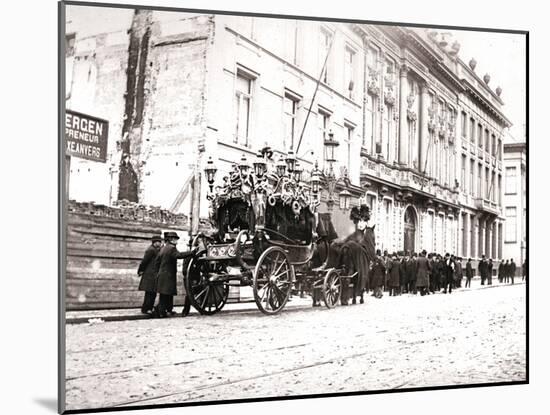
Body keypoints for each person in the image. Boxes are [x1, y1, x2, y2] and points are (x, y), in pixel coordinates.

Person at [154, 231, 196, 318]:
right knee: (165, 294)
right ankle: (160, 312)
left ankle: (164, 310)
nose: (177, 241)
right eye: (176, 239)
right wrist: (191, 253)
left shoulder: (163, 248)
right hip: (168, 275)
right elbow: (179, 255)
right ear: (171, 240)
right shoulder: (172, 248)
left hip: (162, 274)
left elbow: (157, 261)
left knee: (165, 293)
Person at [137, 234, 162, 315]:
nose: (159, 243)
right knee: (150, 293)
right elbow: (144, 261)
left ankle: (147, 308)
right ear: (154, 242)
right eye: (158, 242)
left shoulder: (156, 249)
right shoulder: (151, 250)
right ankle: (147, 308)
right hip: (149, 274)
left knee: (152, 292)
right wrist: (140, 270)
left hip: (153, 274)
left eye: (160, 242)